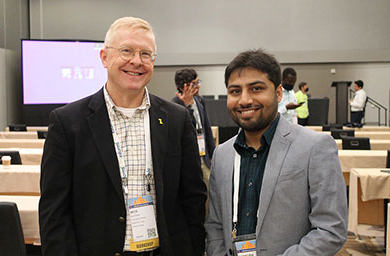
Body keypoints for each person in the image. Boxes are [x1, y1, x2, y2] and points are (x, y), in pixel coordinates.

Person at [39, 17, 207, 256]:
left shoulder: (176, 119)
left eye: (146, 54)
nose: (136, 61)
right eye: (126, 51)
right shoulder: (68, 123)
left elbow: (193, 199)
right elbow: (54, 211)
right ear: (104, 57)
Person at [205, 49, 347, 256]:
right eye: (235, 91)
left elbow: (330, 229)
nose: (244, 100)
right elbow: (216, 226)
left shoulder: (315, 147)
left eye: (256, 89)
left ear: (278, 93)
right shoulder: (222, 155)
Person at [172, 68, 215, 191]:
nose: (198, 86)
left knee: (210, 192)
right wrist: (186, 105)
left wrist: (212, 154)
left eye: (198, 82)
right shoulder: (175, 105)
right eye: (195, 84)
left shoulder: (199, 100)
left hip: (204, 158)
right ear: (184, 87)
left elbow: (206, 127)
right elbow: (185, 130)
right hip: (189, 161)